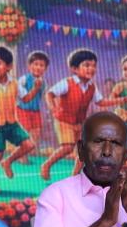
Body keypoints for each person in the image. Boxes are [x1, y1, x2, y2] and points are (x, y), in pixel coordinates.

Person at [41, 49, 103, 180]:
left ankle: (75, 176)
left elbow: (101, 101)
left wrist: (120, 100)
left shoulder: (92, 86)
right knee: (68, 147)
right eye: (87, 65)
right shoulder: (67, 82)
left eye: (94, 66)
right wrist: (53, 108)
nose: (91, 69)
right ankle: (46, 165)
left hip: (79, 123)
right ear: (74, 69)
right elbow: (49, 94)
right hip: (63, 120)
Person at [0, 47, 35, 192]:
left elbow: (26, 98)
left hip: (12, 123)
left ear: (9, 66)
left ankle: (8, 162)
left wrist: (36, 89)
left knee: (29, 145)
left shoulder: (15, 83)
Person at [16, 50, 50, 156]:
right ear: (29, 66)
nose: (38, 67)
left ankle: (31, 151)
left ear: (45, 68)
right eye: (36, 64)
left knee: (36, 131)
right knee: (24, 132)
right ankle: (21, 155)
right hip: (23, 110)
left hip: (36, 111)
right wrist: (35, 88)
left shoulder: (44, 82)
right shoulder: (24, 79)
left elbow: (44, 96)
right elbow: (22, 96)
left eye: (41, 65)